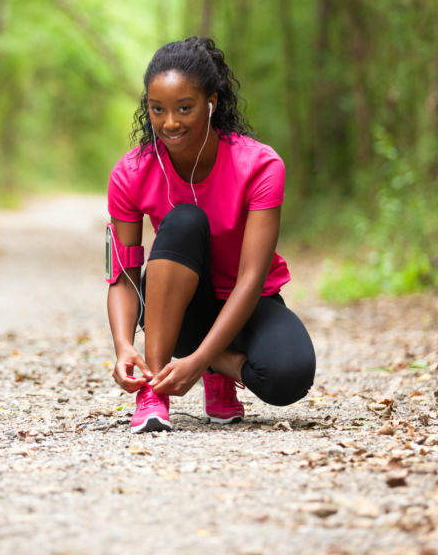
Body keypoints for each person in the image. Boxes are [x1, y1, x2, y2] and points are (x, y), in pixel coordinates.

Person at [106, 37, 316, 433]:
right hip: (178, 309)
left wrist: (202, 359)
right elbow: (123, 276)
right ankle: (153, 393)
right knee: (185, 220)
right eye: (157, 109)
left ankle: (216, 367)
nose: (170, 122)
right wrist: (123, 346)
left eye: (184, 108)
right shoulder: (131, 174)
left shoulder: (260, 165)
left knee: (290, 375)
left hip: (245, 302)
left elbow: (252, 279)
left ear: (211, 103)